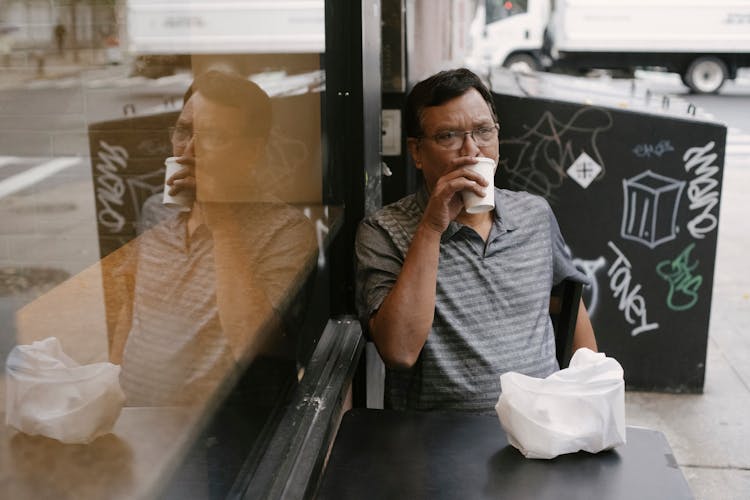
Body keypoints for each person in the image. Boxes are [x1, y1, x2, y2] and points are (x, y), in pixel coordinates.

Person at [355, 68, 597, 413]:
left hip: (543, 428)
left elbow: (572, 307)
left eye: (483, 131)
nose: (472, 151)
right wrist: (432, 227)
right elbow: (399, 352)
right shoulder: (383, 231)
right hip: (439, 442)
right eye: (448, 136)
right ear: (417, 152)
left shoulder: (534, 215)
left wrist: (591, 396)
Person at [107, 70, 318, 407]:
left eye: (212, 137)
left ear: (252, 152)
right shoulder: (155, 211)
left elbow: (254, 342)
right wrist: (109, 383)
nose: (188, 150)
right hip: (139, 414)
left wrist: (220, 220)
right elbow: (134, 308)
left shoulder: (287, 230)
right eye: (183, 131)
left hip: (219, 428)